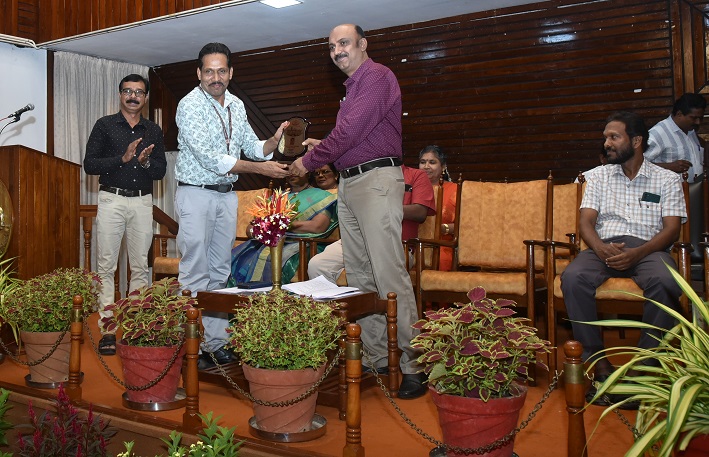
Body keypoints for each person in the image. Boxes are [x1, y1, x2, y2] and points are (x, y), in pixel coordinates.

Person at [290, 23, 428, 399]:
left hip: (376, 180)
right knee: (361, 276)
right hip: (350, 183)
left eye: (344, 43)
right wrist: (326, 147)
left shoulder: (377, 76)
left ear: (363, 44)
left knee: (388, 273)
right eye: (331, 46)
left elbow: (349, 133)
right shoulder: (352, 89)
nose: (337, 51)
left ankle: (415, 364)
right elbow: (355, 137)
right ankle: (378, 356)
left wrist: (308, 160)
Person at [175, 42, 289, 367]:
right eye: (209, 71)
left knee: (220, 271)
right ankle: (191, 347)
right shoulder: (189, 105)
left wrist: (274, 140)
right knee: (195, 270)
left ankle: (215, 343)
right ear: (199, 73)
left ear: (230, 72)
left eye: (221, 71)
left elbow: (252, 146)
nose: (216, 77)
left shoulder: (237, 104)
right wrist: (261, 169)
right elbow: (210, 159)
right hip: (196, 193)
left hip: (227, 195)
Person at [560, 111, 686, 403]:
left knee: (666, 280)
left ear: (637, 141)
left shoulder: (666, 179)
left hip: (649, 248)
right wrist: (600, 248)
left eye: (614, 137)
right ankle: (599, 365)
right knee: (573, 277)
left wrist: (639, 252)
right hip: (604, 247)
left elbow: (672, 230)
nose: (607, 143)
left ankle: (643, 371)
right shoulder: (598, 176)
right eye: (606, 137)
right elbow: (586, 223)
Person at [84, 73, 167, 356]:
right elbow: (90, 164)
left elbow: (160, 171)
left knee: (140, 267)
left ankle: (134, 328)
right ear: (120, 95)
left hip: (142, 202)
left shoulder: (153, 130)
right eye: (128, 91)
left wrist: (144, 162)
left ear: (145, 98)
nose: (133, 96)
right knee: (106, 266)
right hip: (112, 199)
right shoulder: (104, 125)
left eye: (139, 92)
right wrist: (122, 158)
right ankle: (108, 329)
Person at [308, 164, 434, 286]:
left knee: (372, 271)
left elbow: (420, 212)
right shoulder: (360, 174)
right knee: (318, 265)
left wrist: (380, 207)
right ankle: (343, 300)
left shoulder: (415, 175)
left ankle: (370, 299)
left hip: (397, 244)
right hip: (357, 240)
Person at [228, 172, 338, 285]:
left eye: (297, 170)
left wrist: (281, 225)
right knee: (237, 257)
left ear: (308, 173)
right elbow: (251, 228)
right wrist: (259, 232)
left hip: (303, 244)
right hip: (266, 242)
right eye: (289, 171)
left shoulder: (321, 196)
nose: (293, 173)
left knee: (274, 258)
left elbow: (318, 227)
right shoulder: (276, 197)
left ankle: (275, 294)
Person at [644, 93, 706, 182]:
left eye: (701, 118)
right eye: (694, 118)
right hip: (669, 190)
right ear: (679, 114)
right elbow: (637, 165)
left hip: (696, 188)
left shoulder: (691, 131)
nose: (698, 122)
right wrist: (669, 167)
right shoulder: (658, 133)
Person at [418, 145, 457, 271]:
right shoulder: (411, 190)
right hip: (414, 246)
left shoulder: (455, 190)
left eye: (432, 162)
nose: (426, 166)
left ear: (443, 167)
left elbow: (465, 226)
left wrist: (442, 228)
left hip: (442, 247)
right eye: (422, 162)